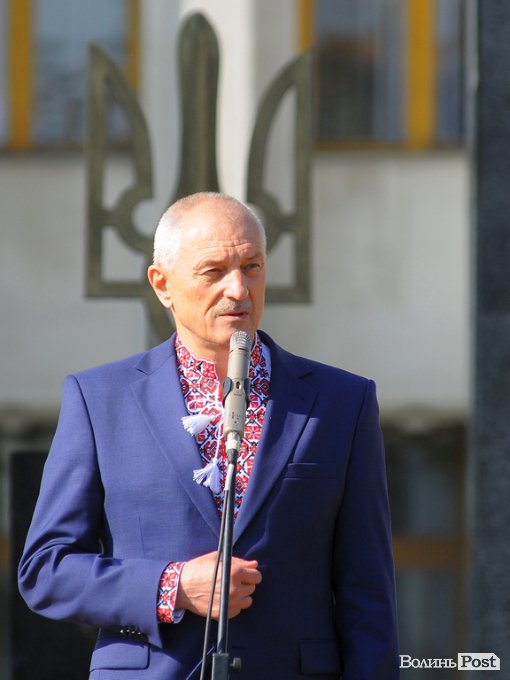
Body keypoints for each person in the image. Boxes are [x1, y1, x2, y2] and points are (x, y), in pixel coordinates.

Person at [19, 192, 399, 679]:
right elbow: (46, 570)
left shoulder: (341, 402)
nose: (238, 289)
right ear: (162, 284)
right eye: (214, 271)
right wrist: (172, 586)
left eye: (252, 267)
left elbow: (368, 591)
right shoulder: (99, 399)